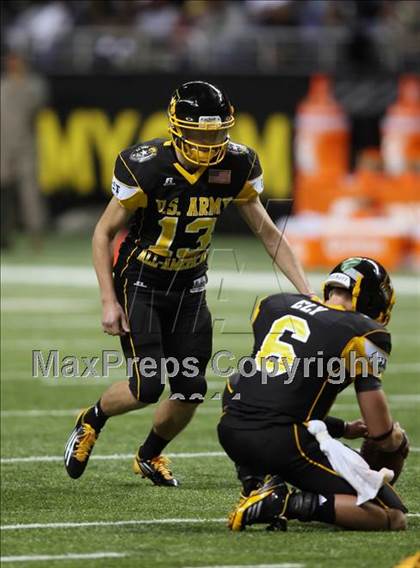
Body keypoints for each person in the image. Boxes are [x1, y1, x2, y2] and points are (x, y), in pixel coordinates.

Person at [64, 81, 313, 486]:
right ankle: (91, 419)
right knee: (147, 386)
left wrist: (306, 290)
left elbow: (269, 233)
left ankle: (149, 456)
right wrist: (108, 300)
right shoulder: (146, 164)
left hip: (190, 285)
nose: (209, 142)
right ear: (177, 128)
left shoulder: (238, 164)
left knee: (191, 388)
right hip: (141, 280)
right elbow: (102, 233)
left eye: (216, 133)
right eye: (199, 133)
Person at [218, 257, 409, 531]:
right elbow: (380, 434)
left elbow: (255, 388)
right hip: (282, 442)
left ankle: (256, 479)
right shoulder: (362, 332)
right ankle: (285, 503)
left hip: (231, 430)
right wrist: (395, 442)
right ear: (370, 298)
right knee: (392, 515)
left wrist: (342, 428)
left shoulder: (275, 304)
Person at [0, 51, 48, 249]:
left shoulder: (33, 85)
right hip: (3, 147)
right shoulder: (2, 85)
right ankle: (4, 235)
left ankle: (36, 235)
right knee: (4, 194)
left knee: (29, 194)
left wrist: (20, 82)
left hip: (25, 147)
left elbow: (36, 105)